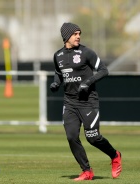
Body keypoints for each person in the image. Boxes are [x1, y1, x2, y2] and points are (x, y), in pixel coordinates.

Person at [50, 22, 122, 181]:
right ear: (66, 36)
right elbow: (58, 72)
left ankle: (115, 155)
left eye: (79, 33)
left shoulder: (86, 52)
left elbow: (104, 70)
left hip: (88, 102)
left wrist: (87, 82)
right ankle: (87, 171)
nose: (78, 36)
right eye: (75, 34)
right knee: (71, 136)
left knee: (93, 138)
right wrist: (56, 83)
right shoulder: (58, 55)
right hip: (70, 103)